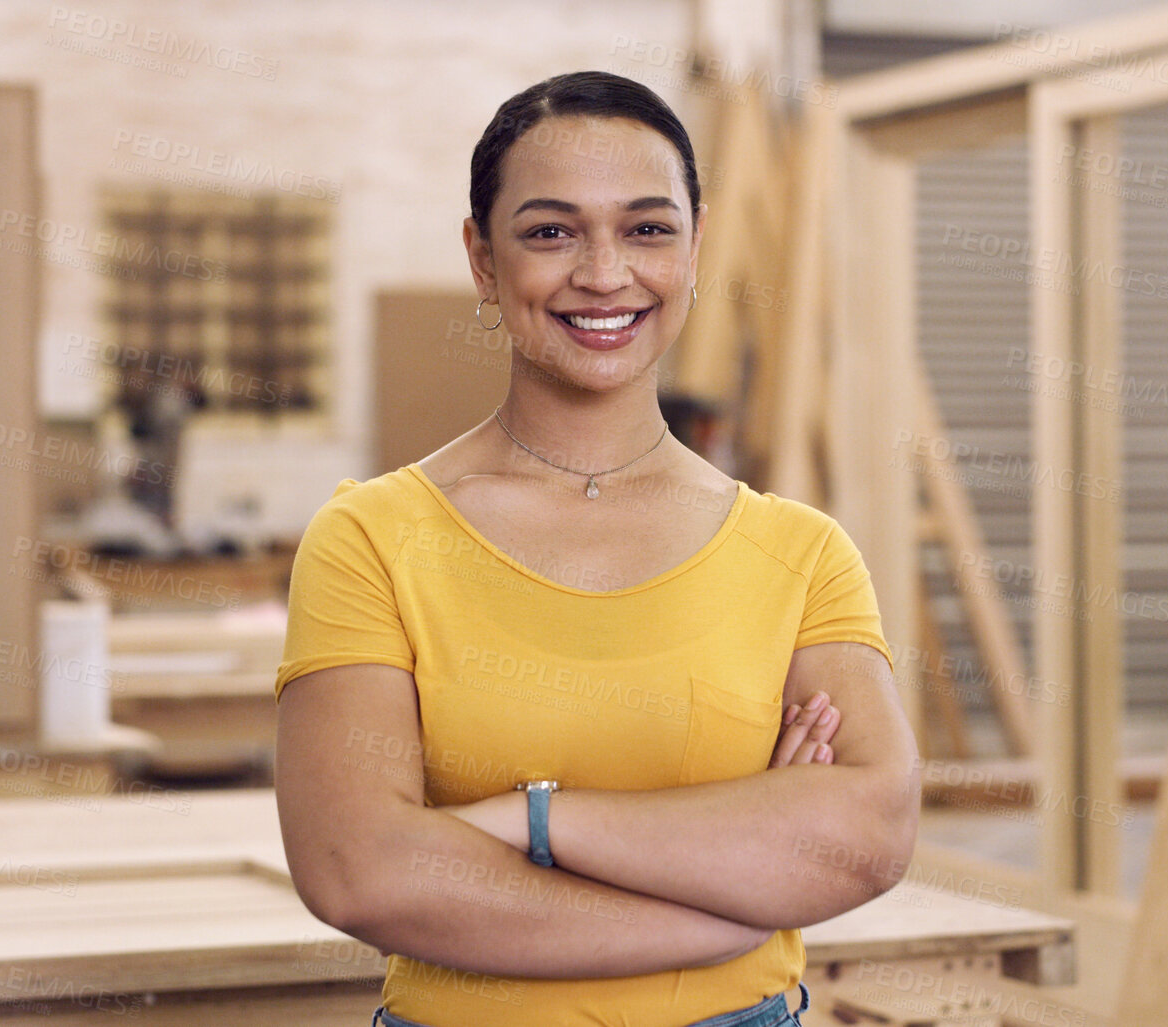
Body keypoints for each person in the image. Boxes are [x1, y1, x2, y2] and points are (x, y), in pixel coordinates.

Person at [273, 70, 920, 1027]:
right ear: (483, 261)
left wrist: (530, 817)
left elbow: (864, 839)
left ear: (696, 248)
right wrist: (729, 900)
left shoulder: (801, 554)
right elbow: (357, 872)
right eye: (550, 231)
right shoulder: (371, 539)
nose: (605, 272)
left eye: (647, 228)